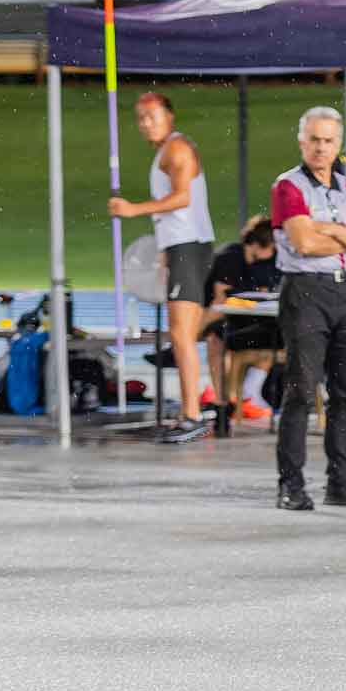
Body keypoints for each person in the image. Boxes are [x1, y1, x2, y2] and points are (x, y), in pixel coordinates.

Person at [270, 106, 346, 511]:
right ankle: (292, 484)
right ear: (302, 142)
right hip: (306, 293)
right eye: (314, 140)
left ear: (339, 145)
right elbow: (304, 243)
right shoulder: (288, 187)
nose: (321, 148)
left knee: (345, 393)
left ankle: (341, 480)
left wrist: (332, 229)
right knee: (301, 390)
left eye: (328, 141)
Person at [109, 92, 215, 444]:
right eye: (140, 117)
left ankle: (192, 415)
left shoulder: (177, 149)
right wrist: (165, 253)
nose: (145, 123)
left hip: (190, 247)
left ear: (169, 116)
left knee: (182, 335)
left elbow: (182, 197)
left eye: (152, 116)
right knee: (179, 333)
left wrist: (132, 209)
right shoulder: (164, 152)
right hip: (180, 248)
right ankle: (189, 412)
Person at [200, 216, 280, 422]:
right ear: (255, 244)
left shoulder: (266, 262)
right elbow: (220, 299)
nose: (272, 253)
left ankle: (249, 391)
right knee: (216, 339)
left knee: (275, 332)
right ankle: (223, 399)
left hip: (251, 317)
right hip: (221, 316)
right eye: (270, 248)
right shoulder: (230, 257)